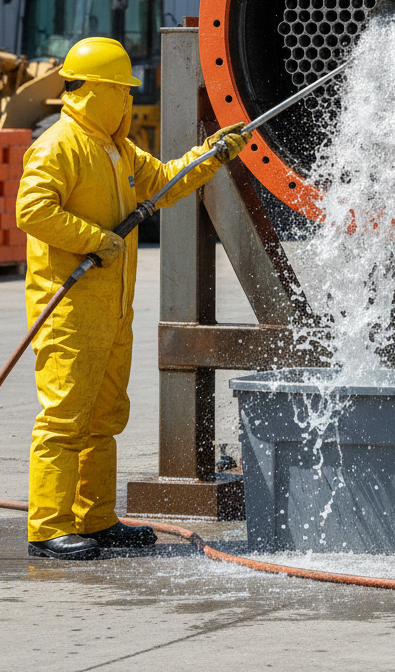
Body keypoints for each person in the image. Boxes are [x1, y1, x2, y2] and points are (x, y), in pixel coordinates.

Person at [16, 37, 249, 560]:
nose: (127, 102)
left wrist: (211, 155)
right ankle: (48, 528)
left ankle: (94, 520)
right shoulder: (60, 146)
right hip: (69, 310)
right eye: (122, 92)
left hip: (112, 309)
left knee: (104, 418)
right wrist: (94, 238)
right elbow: (32, 211)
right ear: (98, 91)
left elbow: (165, 183)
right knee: (64, 419)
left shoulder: (117, 150)